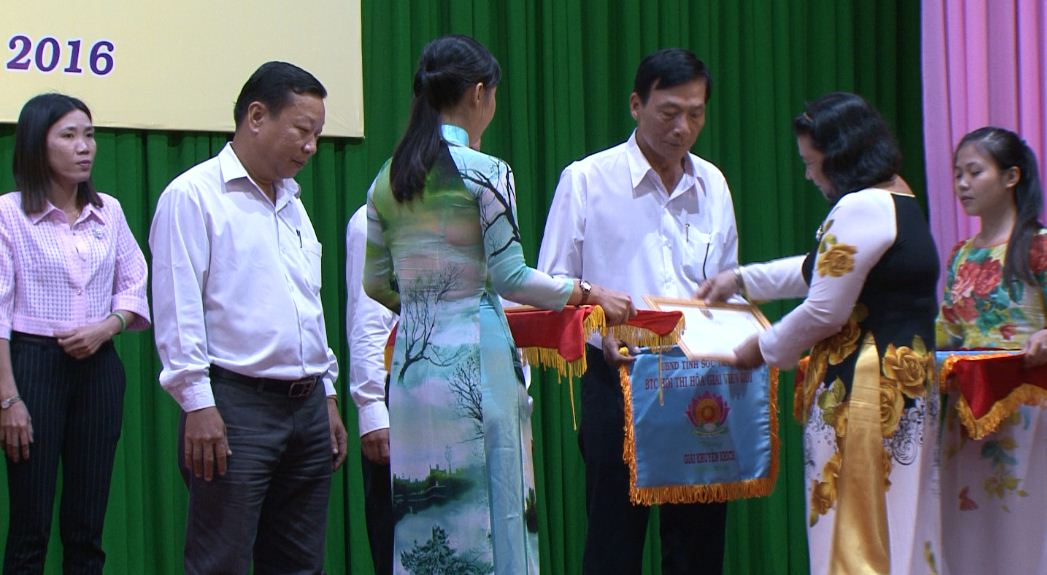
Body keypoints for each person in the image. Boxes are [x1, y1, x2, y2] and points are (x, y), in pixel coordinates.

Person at [363, 35, 634, 574]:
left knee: (424, 508)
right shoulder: (487, 172)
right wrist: (589, 292)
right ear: (479, 92)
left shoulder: (386, 181)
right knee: (494, 505)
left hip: (414, 372)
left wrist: (424, 306)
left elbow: (375, 284)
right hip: (476, 360)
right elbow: (513, 278)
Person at [699, 92, 943, 574]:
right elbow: (824, 269)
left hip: (864, 386)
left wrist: (761, 349)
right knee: (898, 522)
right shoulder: (898, 196)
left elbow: (825, 309)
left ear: (841, 156)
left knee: (857, 525)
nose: (809, 176)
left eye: (812, 164)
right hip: (903, 382)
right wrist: (742, 280)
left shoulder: (860, 207)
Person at [537, 48, 737, 575]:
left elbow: (727, 288)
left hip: (698, 383)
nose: (683, 128)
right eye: (669, 112)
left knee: (698, 548)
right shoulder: (587, 180)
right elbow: (550, 285)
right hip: (618, 380)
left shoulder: (713, 185)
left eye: (695, 114)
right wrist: (598, 326)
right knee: (614, 545)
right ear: (635, 104)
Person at [149, 61, 348, 574]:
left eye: (318, 135)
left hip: (307, 406)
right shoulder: (193, 196)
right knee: (222, 562)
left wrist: (327, 394)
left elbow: (308, 306)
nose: (311, 147)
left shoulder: (294, 204)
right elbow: (178, 310)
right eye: (302, 131)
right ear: (256, 116)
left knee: (300, 564)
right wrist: (197, 403)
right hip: (236, 406)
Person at [0, 93, 149, 573]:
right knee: (30, 525)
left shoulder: (109, 211)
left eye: (89, 135)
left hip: (99, 369)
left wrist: (109, 326)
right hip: (33, 367)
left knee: (87, 525)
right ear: (36, 144)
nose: (84, 147)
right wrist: (9, 400)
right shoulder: (8, 214)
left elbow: (135, 283)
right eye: (68, 135)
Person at [936, 126, 1047, 574]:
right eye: (957, 174)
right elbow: (947, 330)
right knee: (970, 526)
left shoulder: (1039, 246)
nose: (962, 184)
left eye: (974, 172)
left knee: (1024, 521)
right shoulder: (961, 255)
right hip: (968, 410)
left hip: (1029, 410)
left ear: (1011, 177)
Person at [345, 204, 396, 575]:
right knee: (402, 542)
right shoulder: (378, 214)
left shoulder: (480, 206)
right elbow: (369, 318)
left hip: (476, 395)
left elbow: (500, 303)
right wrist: (373, 408)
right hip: (405, 391)